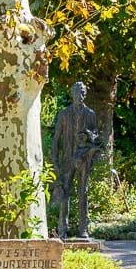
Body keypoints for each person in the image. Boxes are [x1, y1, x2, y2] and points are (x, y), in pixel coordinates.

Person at [51, 81, 104, 240]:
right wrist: (54, 161)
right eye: (76, 93)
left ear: (84, 95)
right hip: (67, 158)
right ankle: (62, 230)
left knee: (83, 192)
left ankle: (83, 229)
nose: (79, 96)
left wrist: (90, 137)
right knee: (65, 193)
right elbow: (56, 139)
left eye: (81, 93)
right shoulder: (63, 114)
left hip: (84, 157)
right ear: (71, 94)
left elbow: (95, 137)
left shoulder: (90, 114)